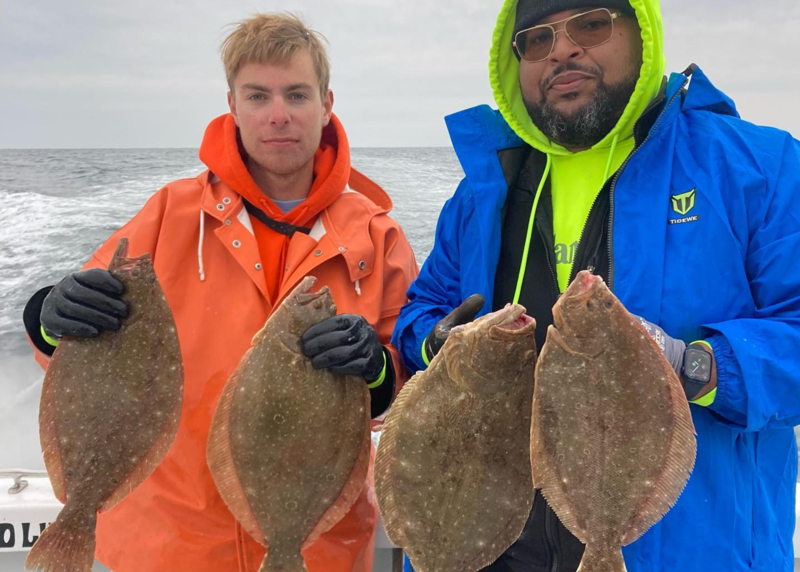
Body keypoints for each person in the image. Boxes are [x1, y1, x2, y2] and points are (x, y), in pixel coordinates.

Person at [392, 0, 800, 570]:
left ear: (643, 34)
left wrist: (699, 366)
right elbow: (422, 310)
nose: (561, 50)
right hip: (488, 539)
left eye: (590, 24)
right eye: (536, 40)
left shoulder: (760, 167)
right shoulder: (486, 187)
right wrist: (439, 340)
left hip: (683, 548)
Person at [22, 13, 418, 572]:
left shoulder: (379, 236)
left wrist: (377, 372)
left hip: (313, 547)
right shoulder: (169, 215)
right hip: (166, 544)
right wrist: (49, 314)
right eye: (258, 95)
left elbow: (410, 396)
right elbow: (75, 347)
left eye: (296, 95)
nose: (278, 115)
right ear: (231, 105)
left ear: (327, 104)